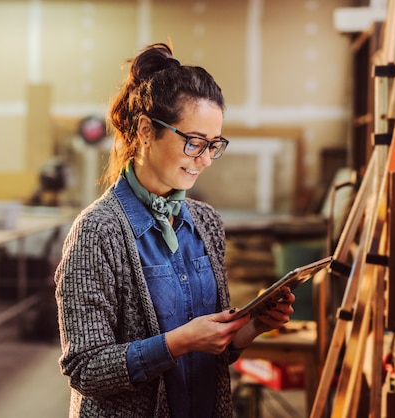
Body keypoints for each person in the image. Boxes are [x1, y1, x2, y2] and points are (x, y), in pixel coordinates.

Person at [54, 42, 296, 418]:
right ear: (147, 130)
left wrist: (253, 327)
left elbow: (215, 349)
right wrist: (176, 343)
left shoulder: (206, 223)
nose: (204, 159)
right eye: (194, 142)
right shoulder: (97, 232)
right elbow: (85, 368)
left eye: (214, 144)